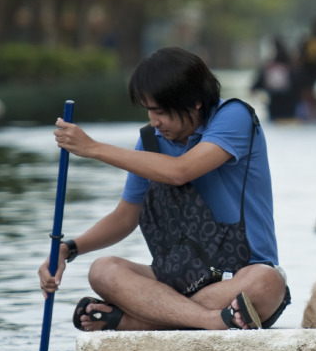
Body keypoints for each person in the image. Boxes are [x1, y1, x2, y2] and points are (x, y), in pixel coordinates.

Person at [39, 46, 290, 331]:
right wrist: (67, 249)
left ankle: (139, 320)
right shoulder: (150, 142)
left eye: (161, 111)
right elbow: (124, 217)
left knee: (267, 282)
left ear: (195, 101)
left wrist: (93, 148)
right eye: (149, 111)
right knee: (103, 270)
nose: (154, 122)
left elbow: (180, 171)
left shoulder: (235, 116)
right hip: (178, 283)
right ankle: (210, 320)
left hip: (238, 278)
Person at [251, 36, 299, 122]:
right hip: (289, 106)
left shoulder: (268, 68)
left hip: (275, 106)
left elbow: (254, 89)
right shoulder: (292, 68)